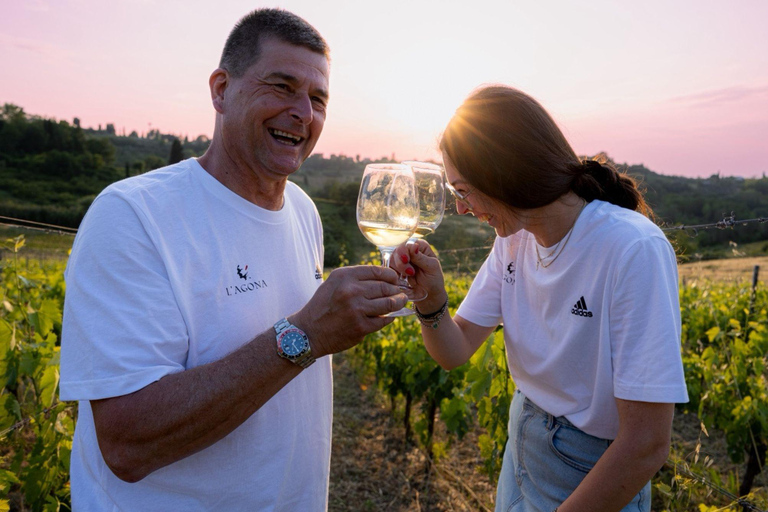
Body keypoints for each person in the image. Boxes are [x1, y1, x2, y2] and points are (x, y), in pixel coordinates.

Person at [59, 8, 408, 511]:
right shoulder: (133, 216)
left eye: (318, 99)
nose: (304, 114)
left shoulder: (304, 212)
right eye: (282, 86)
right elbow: (126, 444)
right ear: (221, 90)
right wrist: (307, 335)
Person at [393, 85, 689, 512]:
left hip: (593, 472)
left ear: (505, 174)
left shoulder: (631, 248)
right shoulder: (514, 239)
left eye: (463, 191)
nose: (460, 209)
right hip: (523, 437)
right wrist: (430, 300)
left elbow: (646, 444)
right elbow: (453, 351)